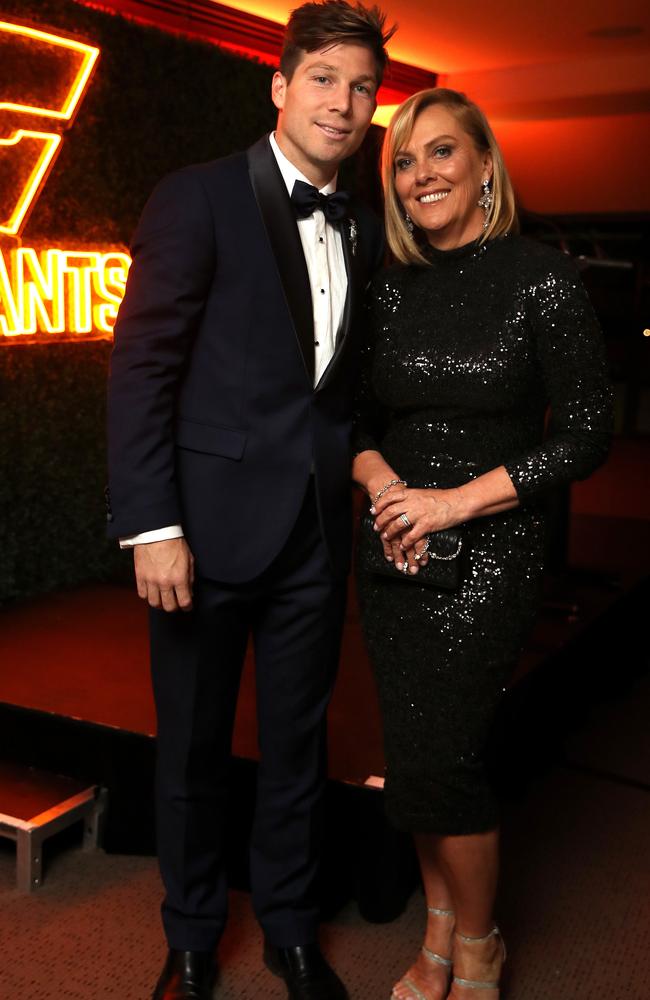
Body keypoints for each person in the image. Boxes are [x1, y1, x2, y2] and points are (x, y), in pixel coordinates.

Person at [106, 4, 396, 998]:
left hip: (316, 534)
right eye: (323, 79)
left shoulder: (359, 222)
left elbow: (337, 390)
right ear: (279, 86)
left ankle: (287, 929)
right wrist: (153, 524)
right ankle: (190, 940)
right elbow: (142, 368)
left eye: (360, 87)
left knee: (297, 747)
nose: (342, 103)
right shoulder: (196, 198)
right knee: (188, 749)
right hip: (202, 528)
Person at [352, 88, 612, 1000]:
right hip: (393, 548)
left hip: (490, 552)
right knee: (416, 757)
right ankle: (438, 938)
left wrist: (453, 505)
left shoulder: (542, 276)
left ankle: (482, 944)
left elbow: (587, 432)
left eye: (442, 154)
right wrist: (390, 494)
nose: (422, 176)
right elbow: (349, 416)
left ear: (485, 165)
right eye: (405, 162)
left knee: (447, 758)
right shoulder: (388, 283)